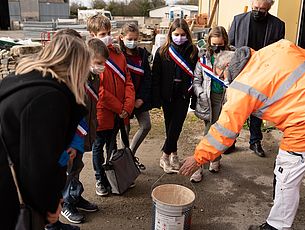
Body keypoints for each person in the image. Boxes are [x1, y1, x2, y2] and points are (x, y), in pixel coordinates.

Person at [180, 39, 305, 230]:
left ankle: (276, 226)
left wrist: (198, 158)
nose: (223, 80)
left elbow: (224, 131)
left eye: (221, 75)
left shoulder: (243, 86)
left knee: (286, 176)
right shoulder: (276, 48)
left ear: (229, 66)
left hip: (301, 127)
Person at [0, 34, 89, 230]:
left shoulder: (18, 82)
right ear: (78, 65)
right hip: (12, 195)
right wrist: (50, 204)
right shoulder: (49, 98)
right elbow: (41, 165)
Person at [54, 36, 109, 227]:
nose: (102, 66)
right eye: (99, 63)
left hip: (87, 130)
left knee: (78, 167)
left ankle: (76, 196)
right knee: (70, 169)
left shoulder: (93, 76)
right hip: (73, 136)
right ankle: (68, 203)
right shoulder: (76, 78)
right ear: (86, 58)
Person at [228, 0, 285, 157]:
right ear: (251, 4)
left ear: (269, 8)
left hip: (263, 75)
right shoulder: (238, 20)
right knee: (236, 109)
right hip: (241, 73)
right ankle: (231, 141)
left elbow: (279, 52)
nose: (258, 11)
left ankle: (255, 142)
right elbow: (231, 45)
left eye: (262, 9)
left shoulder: (278, 25)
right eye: (255, 8)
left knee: (258, 110)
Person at [87, 14, 135, 196]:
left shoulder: (117, 53)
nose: (106, 37)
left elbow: (128, 80)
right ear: (92, 34)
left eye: (108, 32)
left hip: (119, 112)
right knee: (98, 147)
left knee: (113, 145)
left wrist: (127, 106)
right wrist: (119, 107)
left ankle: (114, 176)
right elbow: (99, 91)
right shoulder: (91, 57)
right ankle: (100, 179)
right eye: (101, 34)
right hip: (102, 113)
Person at [152, 18, 198, 173]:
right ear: (170, 34)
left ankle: (164, 156)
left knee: (176, 125)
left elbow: (196, 74)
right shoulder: (162, 51)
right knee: (169, 126)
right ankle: (174, 154)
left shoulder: (193, 51)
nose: (179, 37)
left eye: (183, 34)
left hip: (183, 95)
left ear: (187, 35)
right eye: (176, 34)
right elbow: (156, 76)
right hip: (167, 95)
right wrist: (157, 97)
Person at [190, 26, 231, 183]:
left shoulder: (232, 56)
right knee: (209, 132)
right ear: (209, 42)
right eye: (213, 44)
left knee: (221, 132)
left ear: (225, 42)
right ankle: (199, 165)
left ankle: (216, 159)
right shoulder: (204, 57)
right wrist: (201, 94)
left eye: (220, 44)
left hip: (226, 99)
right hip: (209, 99)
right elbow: (196, 79)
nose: (216, 48)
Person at [119, 23, 152, 170]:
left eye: (135, 39)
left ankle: (130, 155)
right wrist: (128, 101)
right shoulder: (118, 55)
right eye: (129, 38)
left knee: (146, 125)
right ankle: (125, 164)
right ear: (122, 38)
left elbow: (147, 79)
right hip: (124, 101)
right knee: (125, 131)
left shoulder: (142, 55)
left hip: (139, 100)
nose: (132, 42)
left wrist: (141, 98)